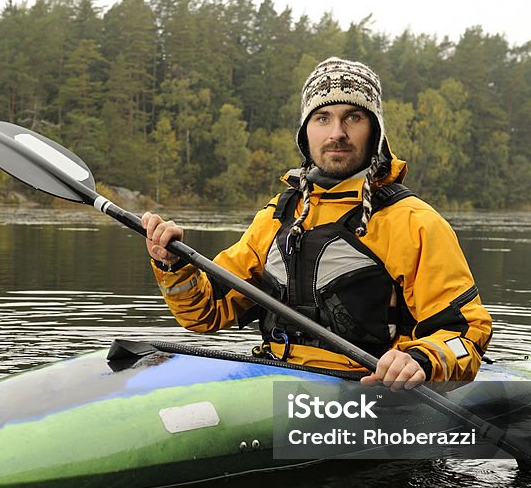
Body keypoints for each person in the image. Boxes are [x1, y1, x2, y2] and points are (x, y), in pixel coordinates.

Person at [142, 57, 491, 392]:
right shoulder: (277, 216)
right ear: (306, 132)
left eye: (352, 117)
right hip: (275, 377)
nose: (336, 133)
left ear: (375, 131)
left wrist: (421, 360)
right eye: (322, 118)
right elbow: (206, 313)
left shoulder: (414, 222)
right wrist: (171, 264)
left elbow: (465, 336)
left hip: (368, 394)